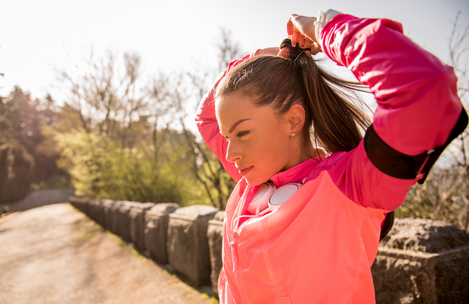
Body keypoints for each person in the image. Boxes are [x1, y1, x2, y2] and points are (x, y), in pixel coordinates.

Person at [195, 9, 467, 304]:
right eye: (227, 137)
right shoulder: (254, 175)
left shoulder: (350, 184)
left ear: (293, 121)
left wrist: (324, 28)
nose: (231, 153)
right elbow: (206, 117)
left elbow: (426, 85)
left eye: (243, 133)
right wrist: (267, 57)